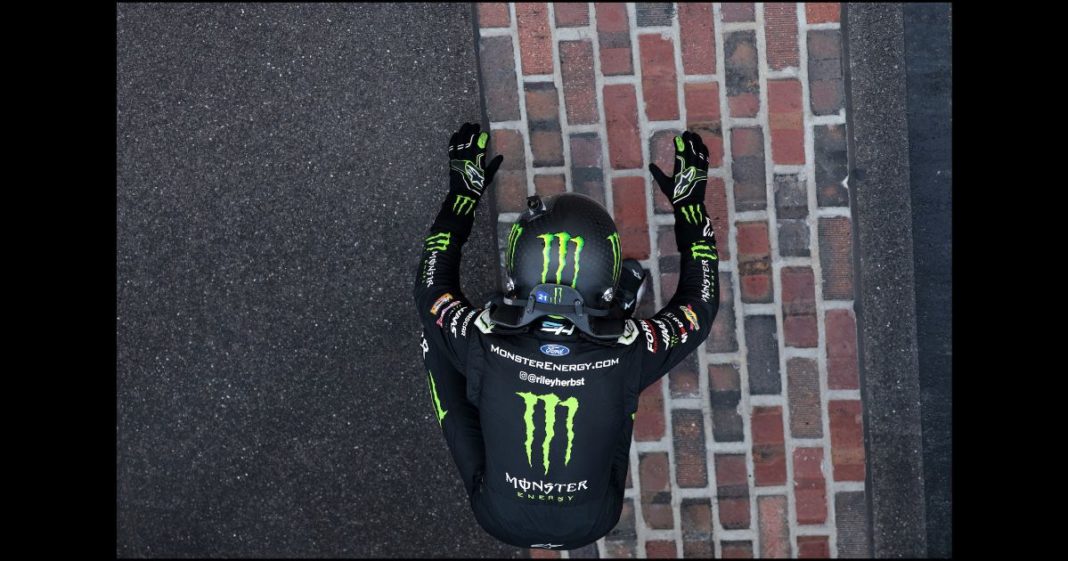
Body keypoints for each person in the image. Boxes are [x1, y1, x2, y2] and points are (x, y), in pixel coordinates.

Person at [413, 122, 720, 550]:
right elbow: (698, 309)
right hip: (577, 518)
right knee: (618, 385)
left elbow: (431, 287)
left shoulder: (481, 340)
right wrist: (689, 208)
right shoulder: (629, 351)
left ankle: (614, 313)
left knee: (434, 330)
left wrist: (463, 193)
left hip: (551, 516)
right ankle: (617, 310)